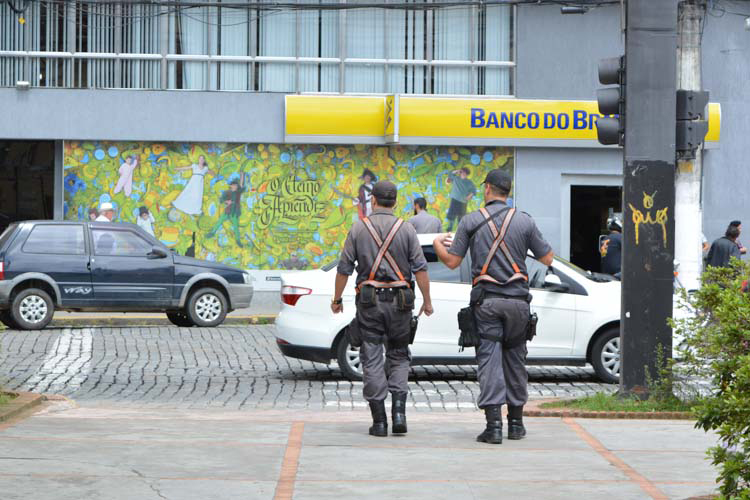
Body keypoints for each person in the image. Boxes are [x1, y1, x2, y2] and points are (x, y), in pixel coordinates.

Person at [433, 169, 553, 444]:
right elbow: (547, 258)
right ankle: (516, 425)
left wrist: (439, 244)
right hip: (519, 305)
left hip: (486, 302)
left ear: (487, 189)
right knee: (516, 362)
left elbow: (451, 261)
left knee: (489, 363)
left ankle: (494, 427)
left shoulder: (470, 221)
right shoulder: (525, 221)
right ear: (507, 192)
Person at [332, 180, 434, 437]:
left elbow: (344, 269)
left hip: (369, 303)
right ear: (396, 202)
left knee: (372, 356)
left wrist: (337, 299)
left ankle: (379, 422)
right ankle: (399, 414)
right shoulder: (407, 229)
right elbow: (421, 268)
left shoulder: (358, 229)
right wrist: (427, 300)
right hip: (401, 303)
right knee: (399, 355)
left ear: (373, 201)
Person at [207, 172, 246, 247]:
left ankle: (238, 240)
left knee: (236, 227)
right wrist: (227, 201)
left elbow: (242, 185)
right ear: (231, 186)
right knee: (219, 222)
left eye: (236, 185)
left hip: (234, 212)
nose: (234, 186)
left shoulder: (238, 192)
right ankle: (212, 233)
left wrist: (242, 176)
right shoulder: (227, 192)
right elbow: (221, 200)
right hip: (227, 210)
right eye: (233, 185)